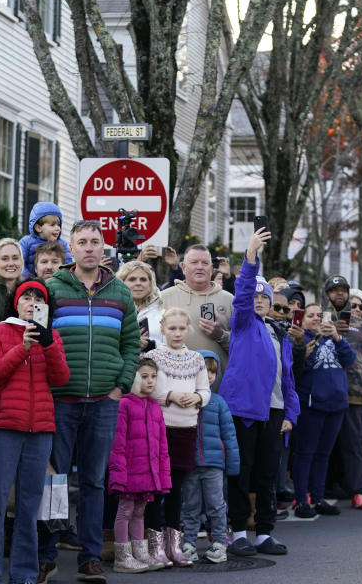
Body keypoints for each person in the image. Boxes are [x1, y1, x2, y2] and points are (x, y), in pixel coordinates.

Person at [39, 220, 141, 583]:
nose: (88, 248)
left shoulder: (121, 293)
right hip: (61, 401)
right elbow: (39, 341)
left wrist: (120, 387)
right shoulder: (51, 289)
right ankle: (46, 556)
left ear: (103, 247)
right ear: (71, 247)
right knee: (55, 482)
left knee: (95, 482)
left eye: (94, 242)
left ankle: (90, 557)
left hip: (103, 400)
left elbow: (132, 346)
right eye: (81, 242)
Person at [0, 278, 70, 584]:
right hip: (3, 427)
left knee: (29, 509)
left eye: (38, 298)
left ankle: (24, 576)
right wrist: (22, 347)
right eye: (26, 297)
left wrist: (48, 344)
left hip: (40, 430)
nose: (31, 302)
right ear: (15, 303)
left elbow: (60, 378)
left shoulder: (51, 335)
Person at [218, 228, 299, 557]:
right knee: (240, 472)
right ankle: (237, 532)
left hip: (274, 412)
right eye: (256, 297)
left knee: (269, 475)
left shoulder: (280, 334)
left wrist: (291, 415)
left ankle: (264, 532)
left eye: (266, 298)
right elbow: (241, 291)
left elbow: (289, 380)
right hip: (244, 410)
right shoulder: (243, 323)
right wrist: (250, 257)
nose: (261, 301)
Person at [142, 308, 210, 567]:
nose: (177, 333)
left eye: (182, 328)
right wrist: (169, 395)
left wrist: (198, 398)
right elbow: (145, 387)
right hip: (159, 429)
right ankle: (154, 546)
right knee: (154, 488)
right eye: (172, 328)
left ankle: (174, 546)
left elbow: (205, 388)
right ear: (163, 328)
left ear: (188, 329)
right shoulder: (152, 356)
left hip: (186, 430)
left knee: (176, 489)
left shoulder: (196, 359)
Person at [323, 275, 362, 509]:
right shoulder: (317, 319)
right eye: (334, 290)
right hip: (323, 393)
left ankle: (360, 490)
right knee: (323, 445)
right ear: (326, 293)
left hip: (356, 394)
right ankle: (322, 488)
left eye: (343, 290)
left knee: (355, 444)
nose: (339, 294)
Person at [289, 303, 355, 517]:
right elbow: (296, 371)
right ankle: (301, 500)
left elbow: (350, 360)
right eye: (311, 315)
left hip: (336, 403)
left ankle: (317, 499)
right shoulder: (300, 339)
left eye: (319, 315)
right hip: (311, 404)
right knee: (305, 453)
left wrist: (338, 337)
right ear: (303, 319)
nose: (316, 319)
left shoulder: (334, 338)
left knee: (323, 455)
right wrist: (304, 353)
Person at [107, 359, 171, 574]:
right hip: (129, 472)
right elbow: (118, 443)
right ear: (134, 379)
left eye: (153, 376)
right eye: (144, 376)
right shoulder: (124, 404)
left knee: (139, 512)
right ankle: (122, 557)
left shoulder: (154, 407)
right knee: (125, 511)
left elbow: (162, 446)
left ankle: (140, 552)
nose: (150, 381)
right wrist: (119, 474)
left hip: (148, 473)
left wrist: (162, 476)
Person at [180, 350, 238, 564]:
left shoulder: (219, 403)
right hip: (190, 464)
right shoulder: (184, 399)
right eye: (204, 370)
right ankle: (189, 544)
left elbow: (229, 436)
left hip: (214, 465)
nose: (209, 375)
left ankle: (220, 543)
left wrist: (232, 465)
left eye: (213, 371)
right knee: (190, 506)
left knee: (217, 505)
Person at [159, 245, 232, 373]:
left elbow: (244, 346)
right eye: (194, 262)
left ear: (211, 268)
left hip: (219, 386)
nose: (200, 267)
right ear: (183, 267)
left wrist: (221, 335)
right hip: (175, 383)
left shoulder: (230, 300)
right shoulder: (163, 298)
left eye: (205, 263)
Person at [116, 260, 165, 349]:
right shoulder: (112, 311)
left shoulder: (163, 313)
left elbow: (174, 347)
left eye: (143, 279)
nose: (138, 283)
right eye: (132, 279)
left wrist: (150, 345)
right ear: (121, 282)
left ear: (150, 284)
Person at [20, 201, 73, 277]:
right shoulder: (26, 242)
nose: (57, 228)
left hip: (56, 282)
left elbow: (68, 266)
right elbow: (20, 264)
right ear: (38, 228)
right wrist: (28, 279)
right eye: (52, 225)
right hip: (32, 284)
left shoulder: (62, 244)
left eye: (58, 225)